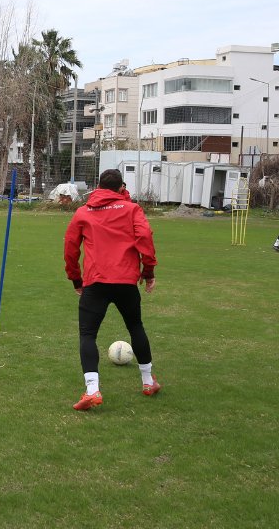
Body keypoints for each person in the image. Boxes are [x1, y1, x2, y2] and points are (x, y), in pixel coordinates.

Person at [64, 168, 161, 411]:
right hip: (125, 281)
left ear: (98, 187)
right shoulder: (132, 209)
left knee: (88, 335)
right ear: (121, 187)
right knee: (135, 326)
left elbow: (70, 247)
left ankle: (92, 391)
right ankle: (148, 382)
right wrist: (148, 272)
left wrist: (76, 279)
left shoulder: (83, 212)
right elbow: (145, 238)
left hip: (96, 282)